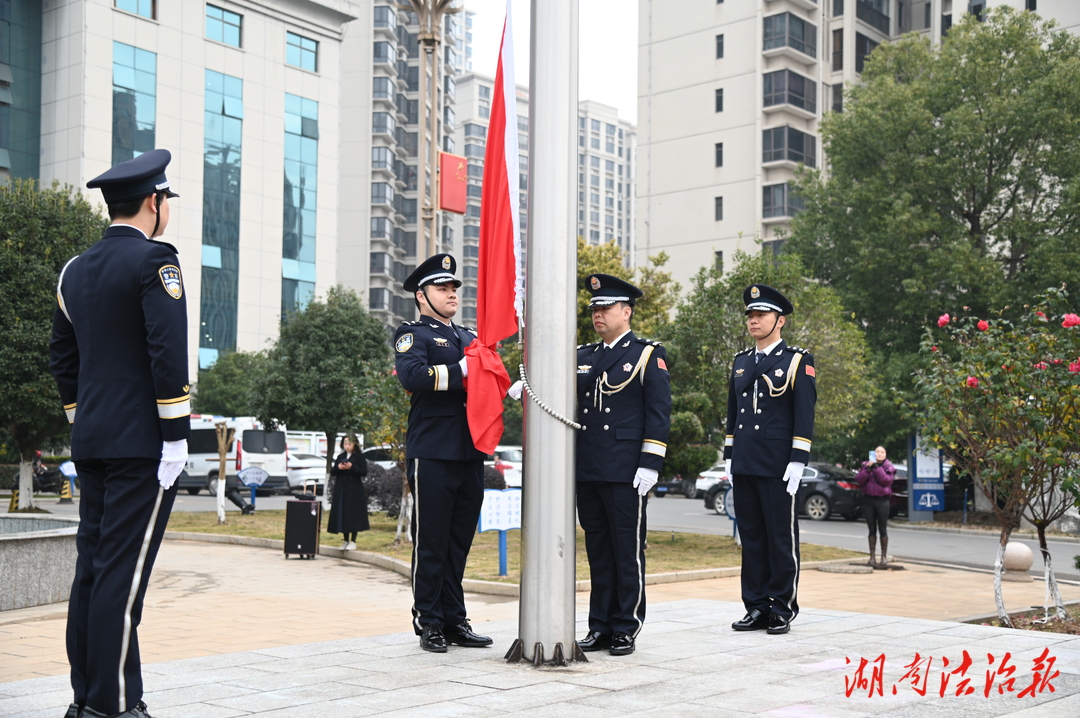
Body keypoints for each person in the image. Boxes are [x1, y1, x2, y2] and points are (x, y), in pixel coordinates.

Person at [50, 149, 188, 718]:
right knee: (122, 580)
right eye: (167, 202)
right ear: (154, 203)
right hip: (143, 446)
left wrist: (85, 422)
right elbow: (165, 351)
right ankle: (111, 707)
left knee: (94, 572)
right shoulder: (156, 262)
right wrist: (176, 435)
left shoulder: (74, 270)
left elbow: (63, 357)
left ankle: (89, 698)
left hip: (96, 443)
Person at [393, 254, 493, 653]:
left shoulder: (468, 337)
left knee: (458, 542)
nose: (451, 294)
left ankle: (454, 619)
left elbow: (487, 379)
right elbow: (412, 376)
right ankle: (429, 621)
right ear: (421, 296)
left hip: (470, 451)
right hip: (432, 451)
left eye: (453, 288)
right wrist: (463, 372)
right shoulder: (412, 334)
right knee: (431, 540)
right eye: (442, 288)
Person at [574, 274, 671, 656]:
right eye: (594, 308)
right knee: (598, 550)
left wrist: (650, 463)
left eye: (606, 307)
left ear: (626, 311)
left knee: (626, 550)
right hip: (589, 467)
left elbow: (658, 413)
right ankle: (599, 624)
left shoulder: (648, 354)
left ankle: (625, 625)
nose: (598, 314)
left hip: (626, 470)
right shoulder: (583, 355)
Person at [725, 284, 816, 636]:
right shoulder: (741, 362)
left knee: (780, 538)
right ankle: (756, 606)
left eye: (760, 314)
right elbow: (733, 416)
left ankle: (781, 606)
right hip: (746, 461)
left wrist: (798, 460)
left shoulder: (796, 361)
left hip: (778, 464)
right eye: (750, 315)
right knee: (752, 537)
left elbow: (803, 415)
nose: (754, 320)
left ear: (780, 320)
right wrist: (730, 457)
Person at [855, 446, 896, 568]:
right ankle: (872, 556)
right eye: (877, 452)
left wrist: (877, 469)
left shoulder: (888, 467)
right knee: (871, 529)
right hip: (868, 500)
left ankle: (883, 556)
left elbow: (886, 481)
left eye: (882, 452)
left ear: (885, 455)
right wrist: (868, 469)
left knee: (882, 528)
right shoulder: (866, 466)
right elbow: (859, 480)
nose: (879, 454)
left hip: (882, 501)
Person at [327, 433, 370, 550]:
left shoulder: (360, 457)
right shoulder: (341, 456)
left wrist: (352, 467)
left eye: (349, 444)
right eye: (345, 444)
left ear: (354, 444)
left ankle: (353, 540)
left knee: (353, 514)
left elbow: (363, 472)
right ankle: (345, 540)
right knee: (343, 513)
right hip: (342, 488)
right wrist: (338, 468)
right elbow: (333, 472)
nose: (347, 446)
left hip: (354, 490)